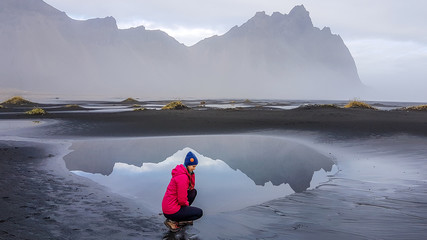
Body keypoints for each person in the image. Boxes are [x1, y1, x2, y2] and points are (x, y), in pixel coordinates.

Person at [162, 151, 203, 232]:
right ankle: (173, 221)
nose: (194, 168)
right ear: (187, 165)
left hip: (169, 207)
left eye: (195, 166)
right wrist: (187, 206)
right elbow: (181, 200)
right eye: (193, 166)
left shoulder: (183, 172)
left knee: (193, 192)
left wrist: (191, 174)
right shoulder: (183, 177)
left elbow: (191, 188)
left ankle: (180, 216)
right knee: (199, 213)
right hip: (171, 211)